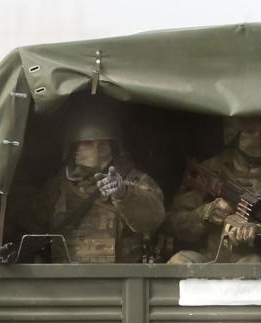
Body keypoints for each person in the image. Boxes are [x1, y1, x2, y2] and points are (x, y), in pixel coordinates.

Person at [167, 116, 261, 264]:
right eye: (249, 132)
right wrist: (205, 214)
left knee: (253, 263)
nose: (257, 138)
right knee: (179, 262)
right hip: (211, 259)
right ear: (236, 134)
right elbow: (174, 224)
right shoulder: (211, 170)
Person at [31, 100, 166, 263]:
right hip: (66, 281)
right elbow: (35, 226)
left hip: (122, 281)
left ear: (113, 146)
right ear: (73, 148)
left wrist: (124, 193)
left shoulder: (135, 180)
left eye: (103, 144)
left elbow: (153, 219)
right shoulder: (57, 186)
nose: (96, 150)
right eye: (88, 143)